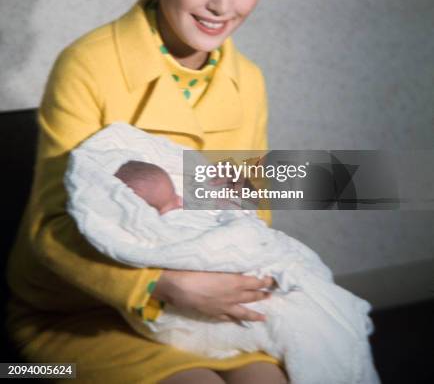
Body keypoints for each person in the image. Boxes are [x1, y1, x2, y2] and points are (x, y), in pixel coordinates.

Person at [6, 0, 290, 383]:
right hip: (75, 318)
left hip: (201, 300)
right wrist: (158, 285)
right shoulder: (86, 64)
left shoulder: (248, 81)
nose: (223, 7)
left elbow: (251, 202)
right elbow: (50, 231)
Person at [63, 125, 380, 384]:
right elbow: (95, 241)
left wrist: (240, 197)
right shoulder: (140, 227)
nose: (174, 206)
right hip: (125, 311)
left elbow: (248, 225)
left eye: (174, 197)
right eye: (160, 207)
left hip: (240, 293)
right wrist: (161, 283)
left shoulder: (245, 81)